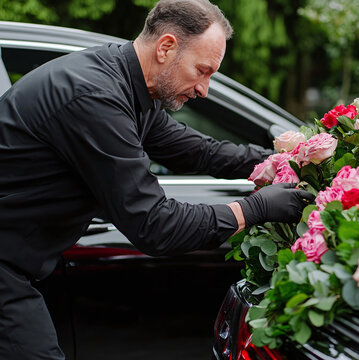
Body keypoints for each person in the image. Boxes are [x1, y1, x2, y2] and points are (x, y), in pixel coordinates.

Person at [0, 0, 314, 358]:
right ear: (166, 47)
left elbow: (197, 151)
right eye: (202, 70)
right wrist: (255, 208)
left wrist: (288, 161)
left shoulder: (129, 86)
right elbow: (154, 224)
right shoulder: (95, 97)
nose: (204, 89)